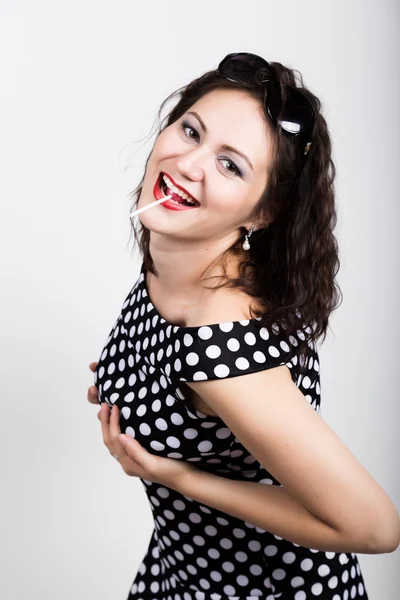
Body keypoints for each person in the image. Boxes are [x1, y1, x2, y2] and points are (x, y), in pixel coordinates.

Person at [87, 53, 399, 599]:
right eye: (191, 131)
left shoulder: (222, 339)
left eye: (231, 165)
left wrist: (175, 475)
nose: (189, 164)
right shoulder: (184, 255)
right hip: (179, 571)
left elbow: (373, 528)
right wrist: (127, 384)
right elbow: (194, 392)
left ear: (261, 213)